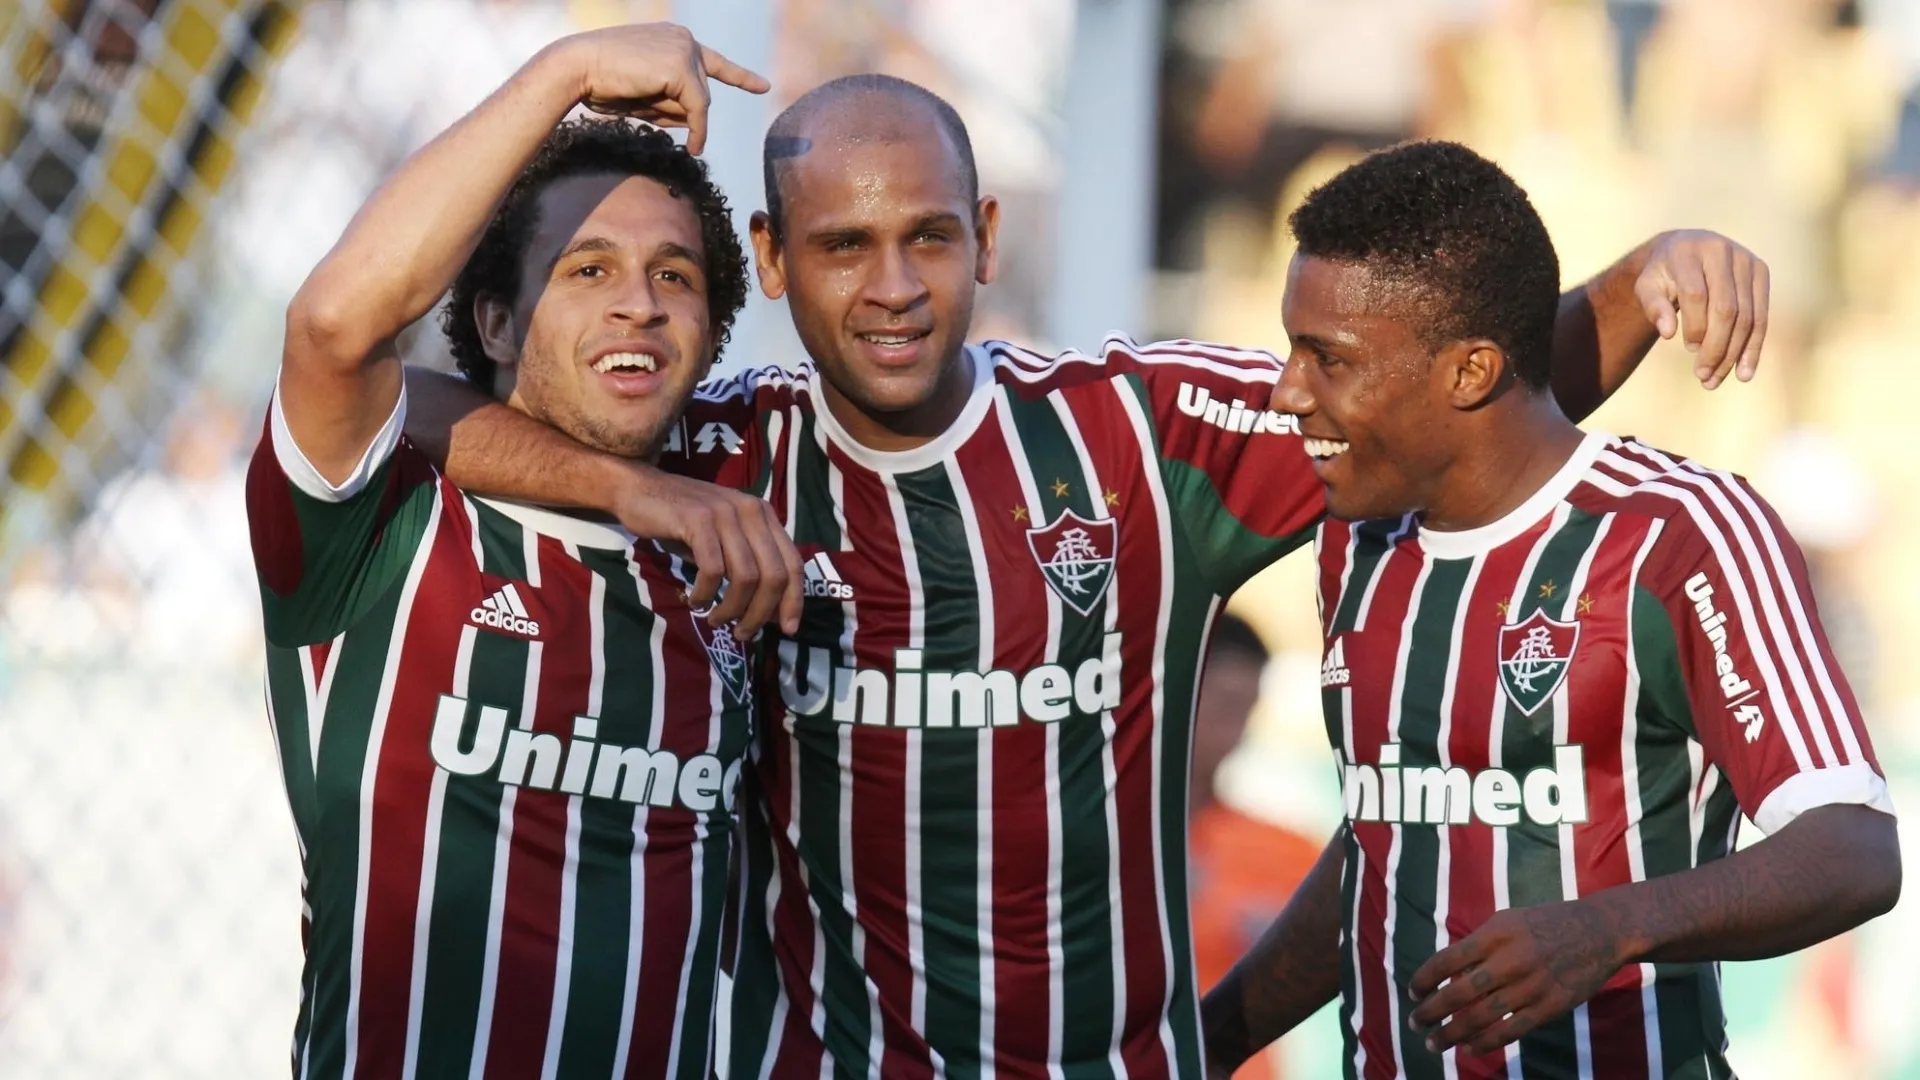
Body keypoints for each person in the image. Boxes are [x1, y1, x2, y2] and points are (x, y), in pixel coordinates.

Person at [404, 72, 1773, 1076]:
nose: (894, 285)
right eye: (842, 246)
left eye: (929, 238)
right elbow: (382, 407)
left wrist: (1640, 279)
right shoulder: (718, 450)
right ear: (769, 260)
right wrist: (638, 489)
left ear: (986, 237)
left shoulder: (1136, 434)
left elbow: (1439, 405)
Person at [1200, 140, 1900, 1080]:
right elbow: (1388, 841)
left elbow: (1853, 850)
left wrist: (1611, 927)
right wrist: (1198, 1045)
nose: (1290, 393)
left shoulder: (1678, 536)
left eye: (1329, 359)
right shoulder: (1358, 532)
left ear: (1469, 372)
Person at [243, 24, 804, 1077]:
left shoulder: (737, 548)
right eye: (588, 269)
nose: (639, 301)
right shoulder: (380, 525)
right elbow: (333, 331)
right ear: (495, 321)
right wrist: (566, 75)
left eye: (674, 276)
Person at [1186, 613, 1324, 1080]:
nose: (1233, 733)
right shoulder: (1090, 844)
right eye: (1222, 708)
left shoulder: (1291, 851)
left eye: (1246, 711)